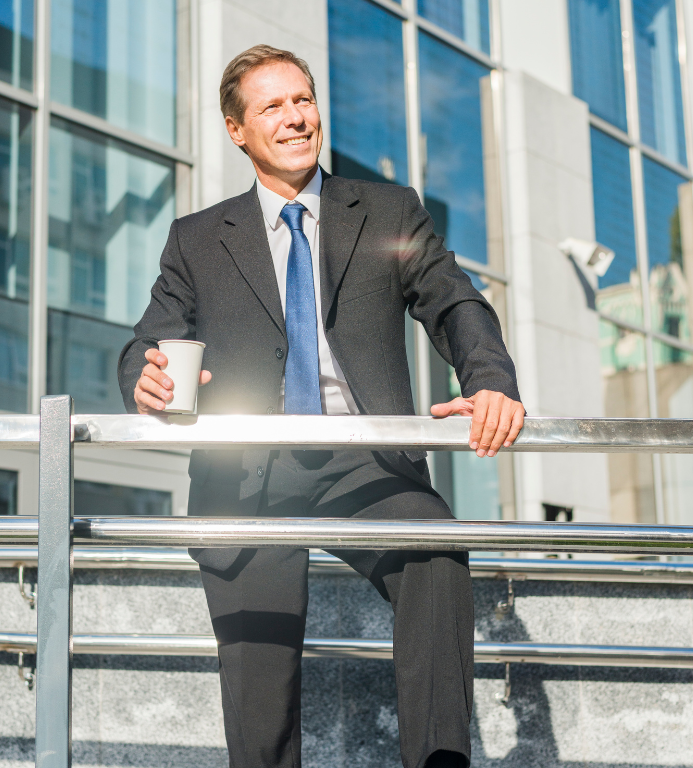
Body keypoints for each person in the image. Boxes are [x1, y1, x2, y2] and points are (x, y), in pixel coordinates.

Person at [118, 44, 524, 768]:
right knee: (259, 695)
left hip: (365, 466)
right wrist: (144, 380)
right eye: (271, 106)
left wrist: (488, 379)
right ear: (237, 130)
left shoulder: (388, 209)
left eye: (302, 99)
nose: (295, 117)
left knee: (435, 549)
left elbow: (455, 302)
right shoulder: (198, 239)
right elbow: (149, 343)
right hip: (246, 476)